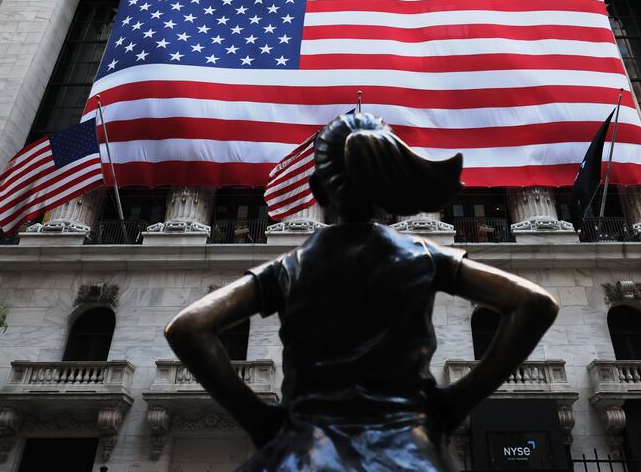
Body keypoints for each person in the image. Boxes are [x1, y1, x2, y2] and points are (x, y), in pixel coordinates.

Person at [165, 112, 559, 471]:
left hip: (301, 454)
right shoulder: (423, 257)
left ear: (318, 191)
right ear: (389, 191)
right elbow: (535, 303)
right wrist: (452, 406)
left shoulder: (289, 268)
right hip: (409, 454)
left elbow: (189, 327)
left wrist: (262, 421)